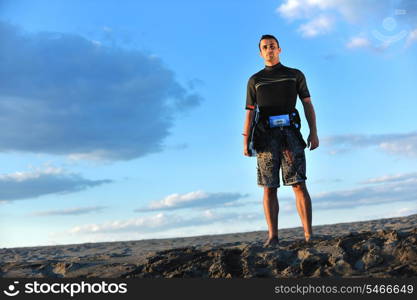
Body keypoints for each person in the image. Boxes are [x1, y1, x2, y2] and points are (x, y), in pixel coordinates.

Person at [242, 34, 319, 247]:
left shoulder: (295, 75)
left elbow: (307, 105)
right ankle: (273, 237)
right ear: (260, 53)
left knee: (298, 184)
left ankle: (308, 235)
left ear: (280, 49)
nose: (269, 50)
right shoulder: (255, 80)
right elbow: (249, 113)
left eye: (273, 46)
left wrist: (314, 132)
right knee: (269, 187)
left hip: (291, 135)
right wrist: (245, 141)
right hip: (265, 138)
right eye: (265, 47)